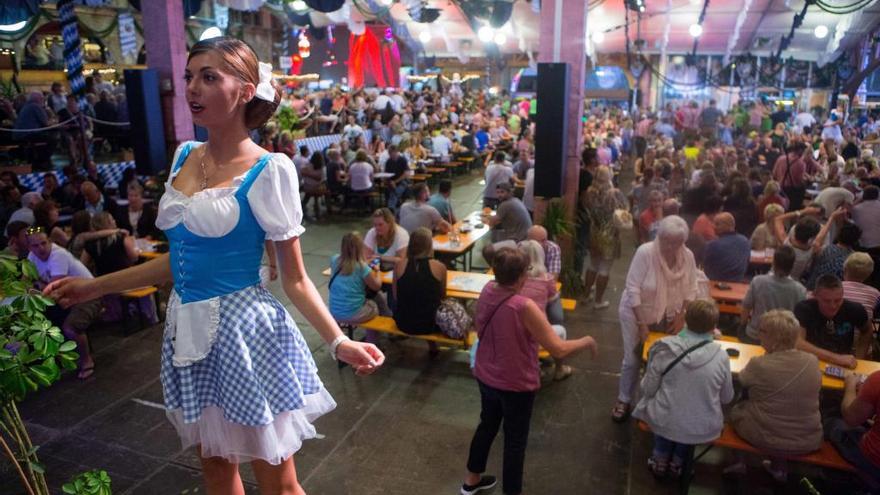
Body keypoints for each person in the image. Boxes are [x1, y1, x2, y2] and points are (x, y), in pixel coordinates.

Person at [43, 37, 383, 494]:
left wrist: (339, 342)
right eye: (188, 77)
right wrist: (94, 288)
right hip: (187, 330)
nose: (192, 89)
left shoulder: (270, 169)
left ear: (245, 90)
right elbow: (178, 262)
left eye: (209, 77)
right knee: (217, 472)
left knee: (278, 482)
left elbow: (296, 278)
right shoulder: (184, 155)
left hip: (247, 335)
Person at [461, 247, 597, 495]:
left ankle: (471, 481)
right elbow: (558, 349)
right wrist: (586, 341)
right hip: (515, 383)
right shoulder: (522, 305)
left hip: (486, 374)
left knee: (487, 425)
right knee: (515, 442)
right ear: (522, 276)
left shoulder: (488, 290)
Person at [633, 299, 733, 479]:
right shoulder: (721, 356)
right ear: (714, 326)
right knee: (688, 421)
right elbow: (727, 398)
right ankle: (678, 463)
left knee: (667, 413)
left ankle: (660, 459)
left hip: (665, 420)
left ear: (686, 320)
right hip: (700, 427)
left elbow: (648, 389)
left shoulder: (664, 348)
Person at [613, 216, 699, 422]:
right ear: (659, 236)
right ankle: (624, 399)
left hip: (667, 312)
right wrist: (642, 324)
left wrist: (681, 316)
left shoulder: (687, 256)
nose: (669, 246)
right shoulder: (646, 252)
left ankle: (653, 400)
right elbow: (632, 288)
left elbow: (691, 288)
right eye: (665, 240)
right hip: (635, 311)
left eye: (674, 242)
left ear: (682, 242)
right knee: (633, 359)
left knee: (661, 358)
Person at [727, 310, 823, 482]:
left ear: (774, 337)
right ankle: (779, 469)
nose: (757, 334)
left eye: (762, 331)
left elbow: (742, 380)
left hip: (767, 437)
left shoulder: (759, 364)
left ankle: (738, 462)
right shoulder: (811, 361)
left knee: (736, 407)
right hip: (808, 438)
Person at [27, 227, 101, 380]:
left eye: (43, 243)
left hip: (89, 295)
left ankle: (86, 360)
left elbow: (53, 291)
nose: (40, 248)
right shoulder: (31, 257)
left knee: (70, 327)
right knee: (35, 320)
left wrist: (38, 287)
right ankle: (55, 360)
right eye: (35, 246)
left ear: (50, 241)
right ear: (29, 247)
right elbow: (26, 284)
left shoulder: (58, 255)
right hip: (67, 297)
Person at [794, 274, 872, 369]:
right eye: (827, 301)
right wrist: (836, 358)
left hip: (844, 365)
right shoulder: (804, 308)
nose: (833, 306)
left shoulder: (855, 309)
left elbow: (867, 330)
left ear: (843, 295)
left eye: (838, 300)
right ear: (815, 296)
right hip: (811, 363)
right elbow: (798, 342)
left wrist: (859, 358)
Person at [328, 232, 390, 344]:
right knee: (376, 303)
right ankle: (372, 341)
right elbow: (376, 286)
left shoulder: (334, 260)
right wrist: (377, 270)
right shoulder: (362, 267)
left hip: (335, 310)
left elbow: (348, 268)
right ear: (359, 248)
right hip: (353, 313)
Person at [392, 228, 447, 348]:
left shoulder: (399, 265)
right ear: (429, 246)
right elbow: (442, 297)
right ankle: (433, 347)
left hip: (403, 322)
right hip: (430, 324)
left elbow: (395, 296)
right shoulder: (439, 267)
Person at [740, 246, 807, 344]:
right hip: (783, 341)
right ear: (792, 265)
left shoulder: (757, 281)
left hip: (755, 336)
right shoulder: (801, 290)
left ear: (774, 262)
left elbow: (746, 308)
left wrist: (742, 326)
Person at [826, 370, 880, 488]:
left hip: (873, 461)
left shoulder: (877, 379)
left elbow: (850, 418)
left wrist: (850, 385)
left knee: (832, 422)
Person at [583, 166, 627, 309]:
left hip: (594, 230)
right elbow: (624, 210)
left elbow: (586, 207)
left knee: (592, 264)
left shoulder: (589, 192)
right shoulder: (614, 193)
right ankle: (598, 301)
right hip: (609, 233)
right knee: (604, 269)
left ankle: (586, 295)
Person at [805, 221, 861, 290]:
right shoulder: (853, 259)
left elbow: (816, 244)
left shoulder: (824, 249)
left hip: (812, 289)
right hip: (833, 293)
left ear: (838, 235)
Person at [703, 212, 750, 282]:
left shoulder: (713, 245)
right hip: (739, 283)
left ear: (728, 226)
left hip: (715, 284)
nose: (713, 227)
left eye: (717, 224)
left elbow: (706, 269)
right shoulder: (745, 241)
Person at [842, 252, 880, 322]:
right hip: (863, 331)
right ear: (868, 274)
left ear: (845, 268)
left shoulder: (835, 287)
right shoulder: (876, 293)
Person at [384, 145, 410, 212]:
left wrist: (395, 182)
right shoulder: (388, 162)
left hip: (402, 181)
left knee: (395, 191)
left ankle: (390, 208)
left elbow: (406, 174)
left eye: (391, 153)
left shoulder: (403, 160)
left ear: (396, 152)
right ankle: (393, 206)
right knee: (390, 190)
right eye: (389, 153)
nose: (390, 155)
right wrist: (389, 181)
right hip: (392, 182)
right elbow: (387, 174)